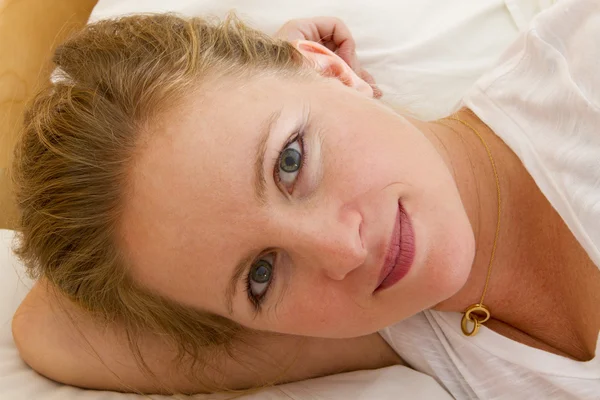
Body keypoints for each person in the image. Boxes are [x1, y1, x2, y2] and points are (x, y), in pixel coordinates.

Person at [10, 0, 599, 398]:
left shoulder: (581, 69)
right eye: (261, 275)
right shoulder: (400, 329)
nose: (341, 250)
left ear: (331, 70)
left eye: (290, 161)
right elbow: (48, 327)